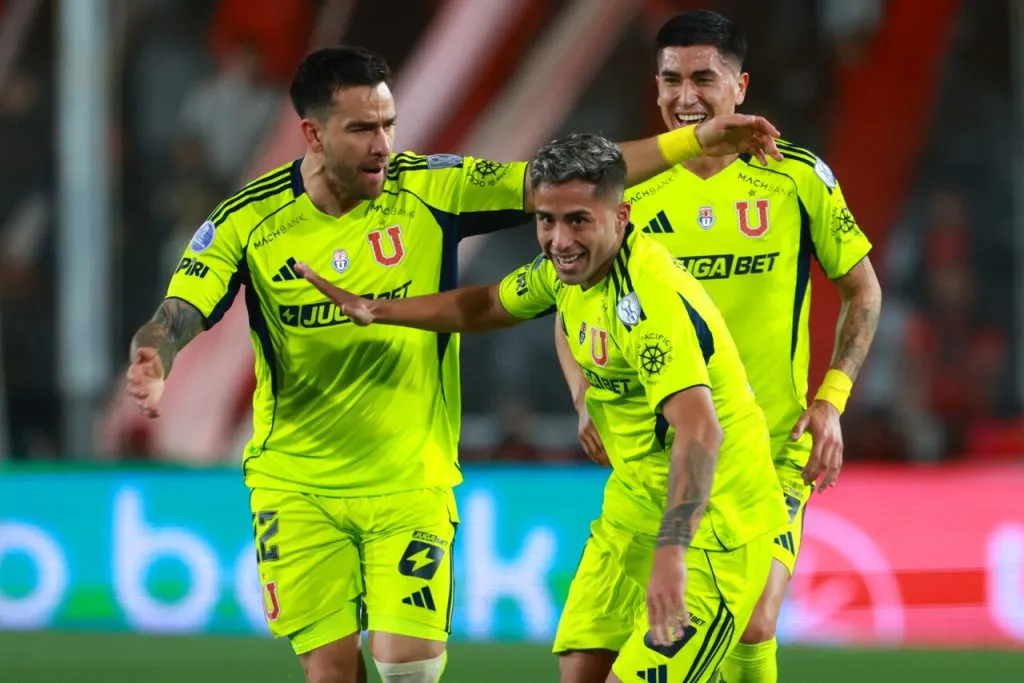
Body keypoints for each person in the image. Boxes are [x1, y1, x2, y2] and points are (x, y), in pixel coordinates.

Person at [124, 46, 784, 683]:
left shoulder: (432, 187)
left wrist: (695, 142)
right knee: (328, 671)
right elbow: (185, 303)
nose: (384, 142)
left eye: (389, 123)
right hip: (294, 480)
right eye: (363, 128)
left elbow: (556, 184)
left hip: (411, 477)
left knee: (409, 667)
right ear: (313, 133)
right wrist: (157, 351)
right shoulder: (250, 218)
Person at [294, 133, 790, 683]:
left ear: (621, 215)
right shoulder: (567, 273)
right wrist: (377, 309)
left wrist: (673, 553)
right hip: (633, 506)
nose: (559, 240)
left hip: (713, 524)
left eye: (578, 220)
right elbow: (487, 303)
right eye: (547, 220)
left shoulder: (647, 302)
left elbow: (700, 432)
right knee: (580, 669)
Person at [552, 11, 883, 683]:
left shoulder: (795, 179)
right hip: (661, 458)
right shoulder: (628, 189)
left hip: (769, 448)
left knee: (755, 621)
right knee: (621, 649)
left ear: (740, 85)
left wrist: (832, 400)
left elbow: (864, 292)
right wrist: (583, 394)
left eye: (704, 78)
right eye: (671, 79)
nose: (686, 96)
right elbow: (568, 302)